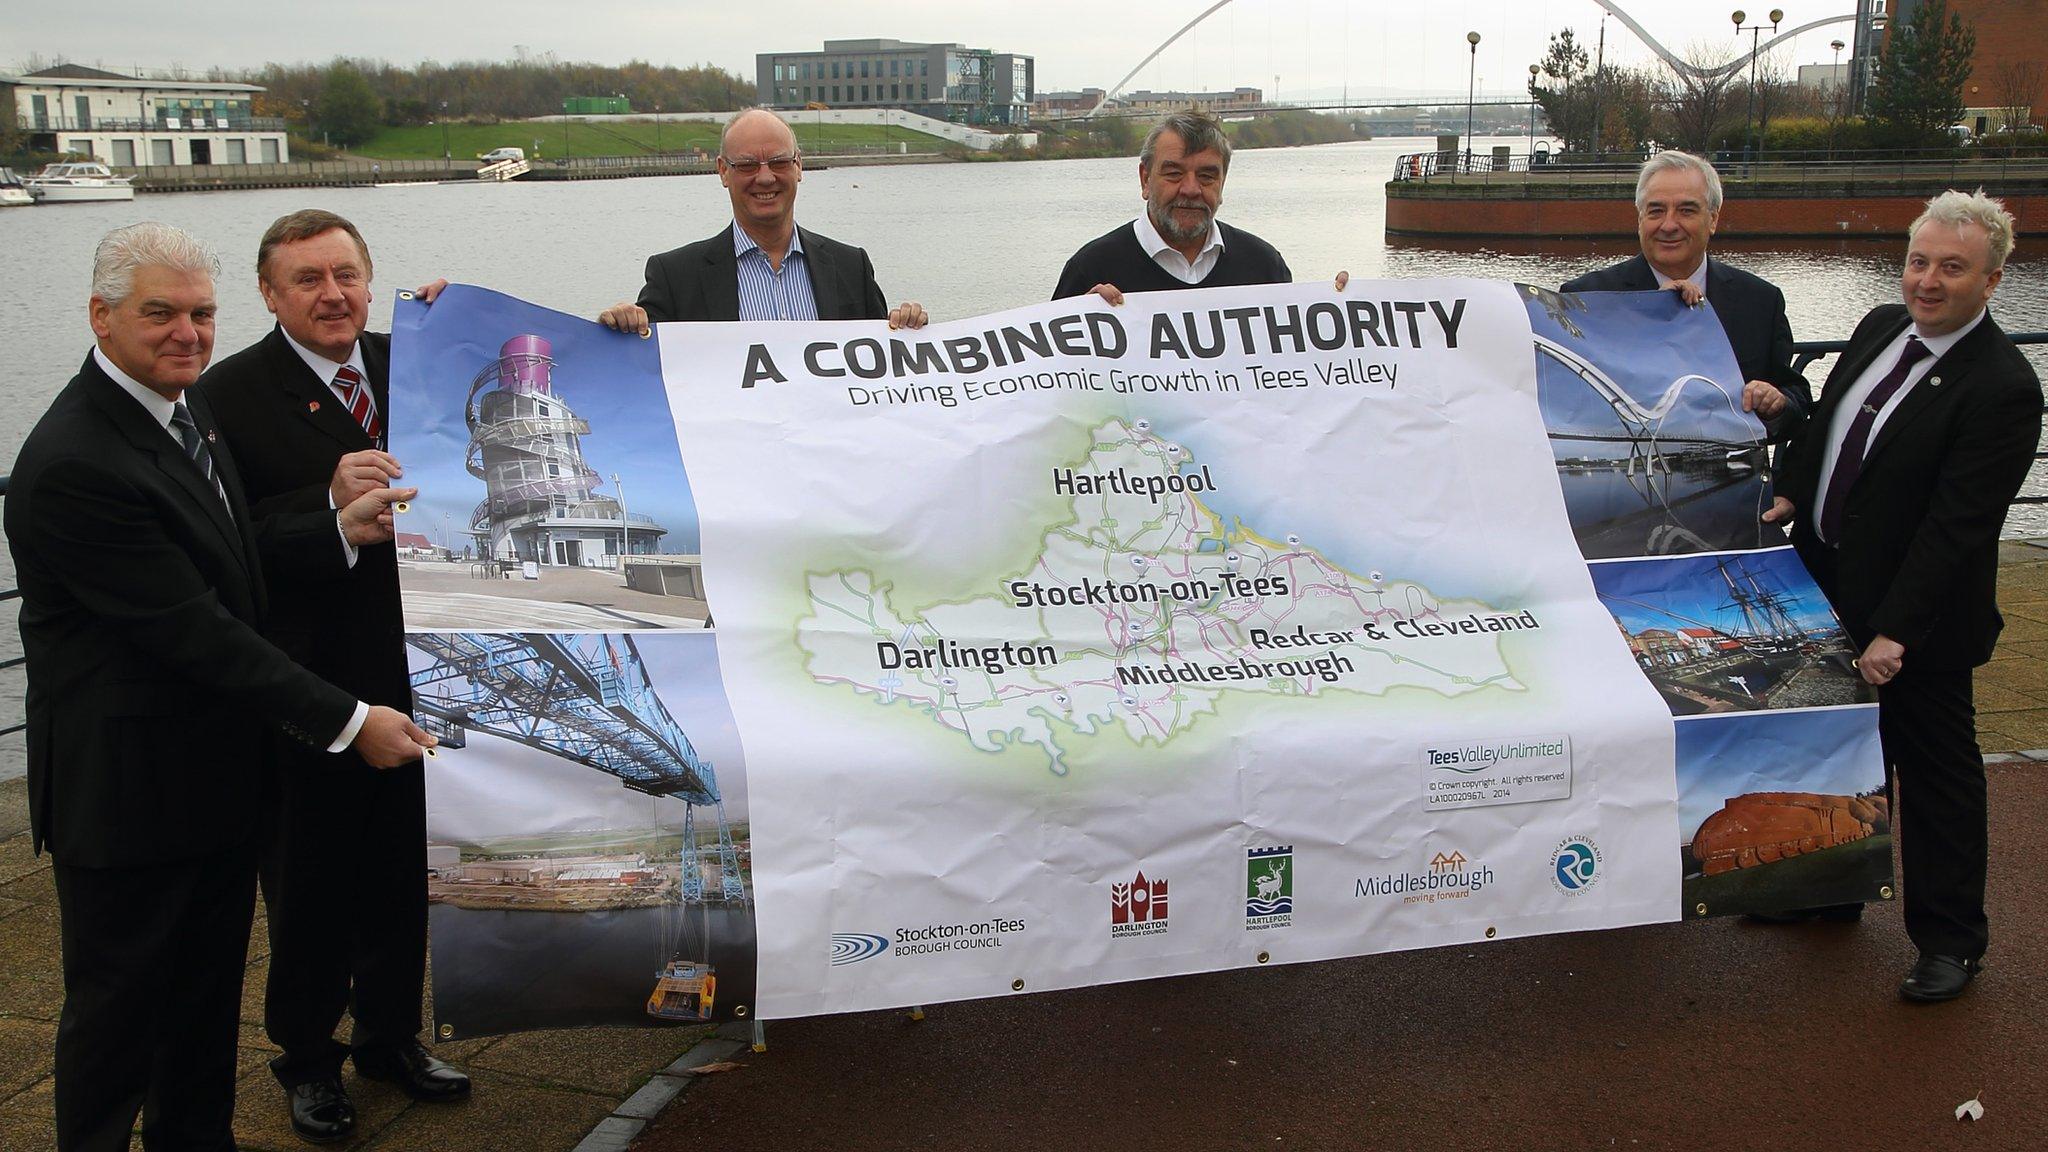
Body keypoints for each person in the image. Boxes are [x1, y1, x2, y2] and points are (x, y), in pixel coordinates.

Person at [5, 222, 434, 1152]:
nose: (186, 333)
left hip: (208, 780)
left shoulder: (179, 410)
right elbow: (192, 629)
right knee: (118, 1027)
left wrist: (333, 523)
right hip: (126, 797)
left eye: (199, 314)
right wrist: (347, 719)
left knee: (199, 1022)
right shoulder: (77, 461)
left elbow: (235, 559)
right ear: (101, 317)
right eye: (159, 314)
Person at [198, 210, 468, 1141]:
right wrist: (324, 506)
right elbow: (220, 549)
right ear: (269, 296)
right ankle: (307, 1059)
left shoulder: (418, 362)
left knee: (401, 874)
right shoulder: (226, 395)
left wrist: (461, 317)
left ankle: (390, 1037)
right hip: (306, 683)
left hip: (418, 669)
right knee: (309, 884)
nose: (332, 295)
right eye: (307, 280)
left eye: (347, 274)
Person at [1763, 190, 2042, 1003]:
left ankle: (1952, 942)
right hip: (1824, 580)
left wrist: (1895, 631)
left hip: (1914, 621)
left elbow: (1959, 526)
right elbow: (1827, 432)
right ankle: (1829, 892)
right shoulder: (1881, 324)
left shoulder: (2002, 387)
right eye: (1919, 260)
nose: (1928, 280)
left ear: (1990, 281)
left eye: (1952, 268)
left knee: (1936, 777)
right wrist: (1790, 490)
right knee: (1838, 751)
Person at [600, 107, 926, 332]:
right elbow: (643, 376)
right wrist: (619, 329)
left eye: (779, 162)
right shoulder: (675, 278)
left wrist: (910, 334)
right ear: (723, 171)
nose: (766, 178)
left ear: (799, 166)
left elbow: (883, 374)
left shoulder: (851, 267)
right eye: (746, 165)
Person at [1561, 150, 1809, 429]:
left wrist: (1776, 404)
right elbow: (1563, 403)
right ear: (1640, 219)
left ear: (1713, 219)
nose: (1668, 225)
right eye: (1656, 211)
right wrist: (1649, 311)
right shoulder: (1584, 300)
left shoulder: (1760, 301)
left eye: (1686, 211)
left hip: (1730, 470)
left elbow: (1797, 401)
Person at [1052, 109, 1293, 303]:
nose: (1191, 189)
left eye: (1206, 176)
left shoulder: (1264, 266)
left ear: (1223, 183)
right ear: (1145, 179)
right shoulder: (1091, 268)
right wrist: (1079, 318)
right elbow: (1049, 363)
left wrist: (1330, 303)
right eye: (1174, 173)